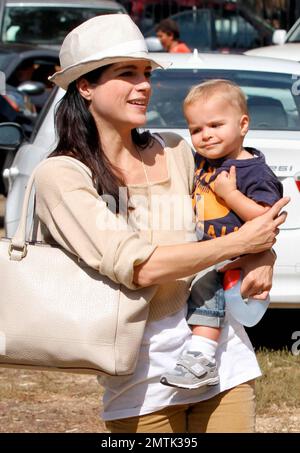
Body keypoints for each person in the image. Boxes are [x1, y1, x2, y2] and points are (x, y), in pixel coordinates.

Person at [34, 14, 288, 433]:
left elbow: (223, 220)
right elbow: (140, 267)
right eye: (126, 73)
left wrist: (264, 252)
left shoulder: (176, 150)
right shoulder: (62, 175)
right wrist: (242, 243)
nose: (144, 84)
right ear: (85, 86)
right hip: (140, 384)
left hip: (223, 365)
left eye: (146, 73)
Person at [160, 79, 283, 390]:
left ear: (242, 125)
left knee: (206, 293)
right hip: (208, 248)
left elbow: (266, 218)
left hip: (233, 255)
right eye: (196, 129)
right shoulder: (204, 163)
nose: (206, 135)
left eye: (216, 124)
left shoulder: (253, 171)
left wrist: (230, 194)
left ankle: (201, 359)